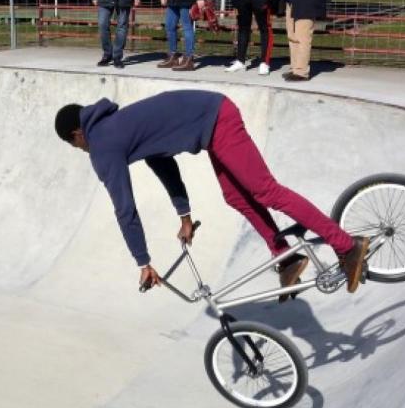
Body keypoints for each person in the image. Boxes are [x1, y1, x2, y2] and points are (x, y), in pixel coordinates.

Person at [54, 90, 369, 297]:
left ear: (77, 134)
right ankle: (285, 257)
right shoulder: (119, 127)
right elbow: (164, 164)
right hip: (210, 117)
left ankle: (346, 245)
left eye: (74, 145)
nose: (80, 150)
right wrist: (185, 216)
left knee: (266, 191)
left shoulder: (103, 146)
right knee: (235, 196)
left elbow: (125, 210)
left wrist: (143, 262)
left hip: (217, 118)